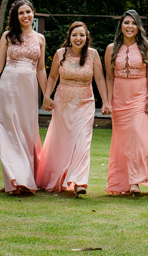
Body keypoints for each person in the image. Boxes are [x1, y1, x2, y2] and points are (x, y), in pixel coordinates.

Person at [0, 0, 47, 194]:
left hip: (29, 89)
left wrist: (47, 95)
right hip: (8, 87)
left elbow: (41, 69)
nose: (25, 16)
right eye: (21, 13)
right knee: (10, 132)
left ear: (33, 13)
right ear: (16, 16)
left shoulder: (40, 39)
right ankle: (15, 180)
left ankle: (26, 178)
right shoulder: (8, 36)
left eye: (28, 12)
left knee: (28, 132)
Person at [39, 22, 110, 195]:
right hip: (63, 104)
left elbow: (100, 79)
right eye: (75, 35)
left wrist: (106, 101)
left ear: (87, 37)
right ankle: (61, 176)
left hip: (85, 103)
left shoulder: (93, 55)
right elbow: (53, 77)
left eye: (82, 35)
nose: (78, 38)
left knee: (83, 140)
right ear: (69, 37)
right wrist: (47, 96)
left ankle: (79, 182)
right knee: (63, 141)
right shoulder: (60, 54)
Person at [104, 10, 148, 195]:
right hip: (119, 98)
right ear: (121, 25)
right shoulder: (111, 48)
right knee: (122, 142)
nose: (130, 26)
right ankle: (123, 182)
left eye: (134, 23)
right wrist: (107, 101)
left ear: (138, 27)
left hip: (139, 96)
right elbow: (109, 77)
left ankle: (135, 181)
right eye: (126, 23)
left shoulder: (147, 46)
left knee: (137, 136)